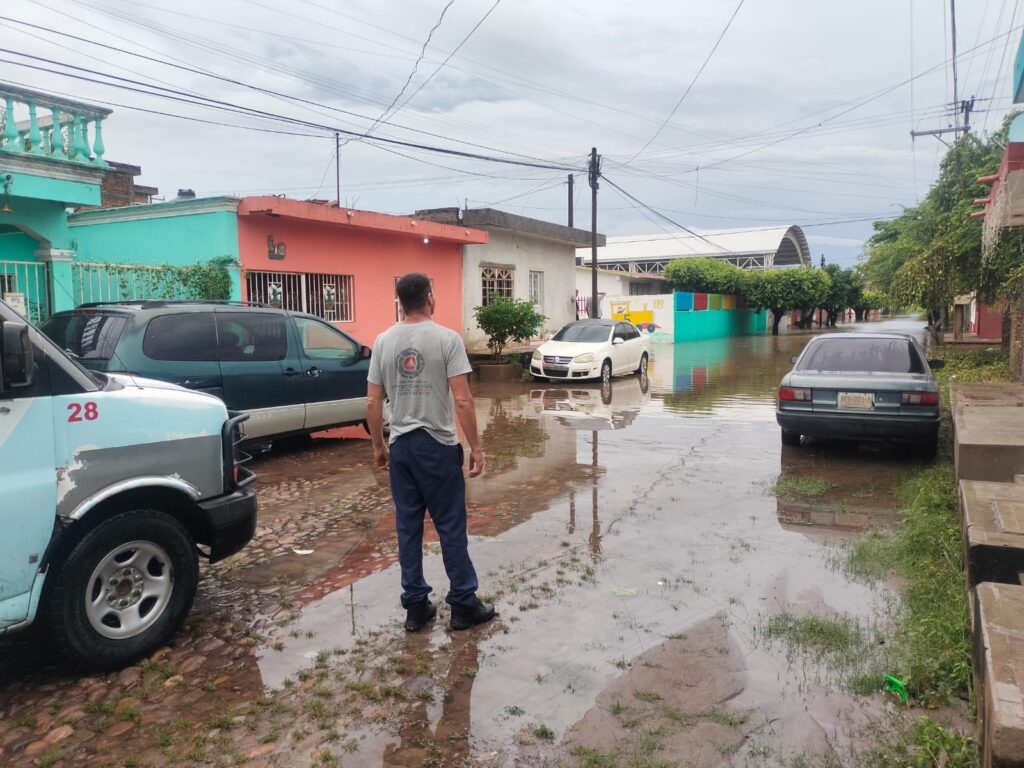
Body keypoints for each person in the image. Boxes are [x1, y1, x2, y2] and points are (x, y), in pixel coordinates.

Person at [366, 273, 495, 633]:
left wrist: (379, 444)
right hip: (438, 447)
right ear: (429, 298)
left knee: (408, 528)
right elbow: (464, 400)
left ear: (400, 302)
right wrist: (476, 447)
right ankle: (463, 605)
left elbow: (373, 401)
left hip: (402, 447)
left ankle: (416, 608)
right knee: (451, 526)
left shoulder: (383, 341)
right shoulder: (447, 339)